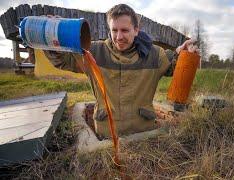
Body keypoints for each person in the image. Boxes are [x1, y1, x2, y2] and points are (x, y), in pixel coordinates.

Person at [45, 4, 199, 139]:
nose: (119, 37)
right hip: (107, 137)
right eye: (114, 30)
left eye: (125, 30)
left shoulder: (154, 55)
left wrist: (183, 55)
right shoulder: (93, 52)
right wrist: (51, 34)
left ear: (136, 30)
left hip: (145, 135)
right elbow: (63, 60)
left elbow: (173, 66)